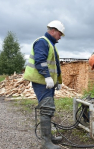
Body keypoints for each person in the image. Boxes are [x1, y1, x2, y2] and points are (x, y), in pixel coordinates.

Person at [23, 20, 65, 149]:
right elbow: (40, 60)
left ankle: (49, 137)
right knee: (46, 109)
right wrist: (47, 77)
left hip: (47, 83)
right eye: (59, 34)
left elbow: (55, 65)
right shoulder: (42, 42)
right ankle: (46, 142)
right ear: (54, 31)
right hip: (42, 82)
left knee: (49, 109)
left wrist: (57, 82)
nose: (60, 37)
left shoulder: (50, 44)